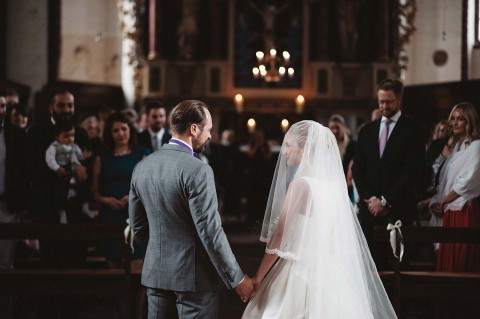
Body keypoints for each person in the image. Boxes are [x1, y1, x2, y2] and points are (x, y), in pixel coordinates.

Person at [242, 120, 397, 318]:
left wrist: (258, 278)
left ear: (304, 148)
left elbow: (280, 235)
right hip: (332, 272)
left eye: (288, 145)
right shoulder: (335, 188)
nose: (283, 151)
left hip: (299, 271)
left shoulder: (300, 185)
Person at [129, 100, 254, 318]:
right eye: (208, 130)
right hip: (194, 279)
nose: (210, 136)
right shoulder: (199, 170)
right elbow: (210, 232)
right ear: (193, 129)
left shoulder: (142, 167)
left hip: (156, 274)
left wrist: (163, 250)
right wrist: (237, 278)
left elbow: (138, 228)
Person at [352, 79, 425, 268]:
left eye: (389, 101)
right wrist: (371, 199)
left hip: (398, 210)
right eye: (381, 101)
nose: (384, 106)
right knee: (370, 268)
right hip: (369, 213)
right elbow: (357, 169)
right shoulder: (367, 131)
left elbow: (412, 172)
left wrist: (385, 200)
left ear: (399, 100)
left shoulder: (413, 130)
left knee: (398, 269)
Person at [92, 112, 150, 268]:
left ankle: (138, 294)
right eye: (115, 130)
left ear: (130, 130)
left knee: (138, 267)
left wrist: (132, 197)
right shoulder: (101, 157)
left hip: (135, 215)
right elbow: (94, 192)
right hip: (110, 216)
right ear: (109, 134)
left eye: (124, 129)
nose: (120, 134)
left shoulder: (142, 154)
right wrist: (106, 200)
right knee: (114, 269)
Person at [429, 102, 480, 272]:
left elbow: (466, 183)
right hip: (449, 212)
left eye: (461, 119)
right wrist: (435, 201)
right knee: (447, 265)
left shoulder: (476, 146)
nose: (455, 123)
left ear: (470, 122)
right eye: (453, 119)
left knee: (460, 265)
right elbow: (445, 182)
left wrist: (443, 202)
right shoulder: (457, 147)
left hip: (464, 212)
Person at [45, 121, 85, 223]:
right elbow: (49, 159)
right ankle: (61, 210)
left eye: (72, 135)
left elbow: (79, 156)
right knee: (60, 190)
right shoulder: (54, 146)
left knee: (79, 187)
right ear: (57, 137)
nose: (70, 139)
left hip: (73, 169)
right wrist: (57, 167)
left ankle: (83, 205)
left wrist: (84, 156)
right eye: (66, 136)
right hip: (61, 169)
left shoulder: (74, 146)